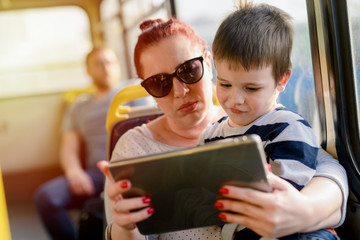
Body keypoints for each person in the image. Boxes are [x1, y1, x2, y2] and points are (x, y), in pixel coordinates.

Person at [97, 16, 348, 240]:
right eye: (159, 83)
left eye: (188, 70)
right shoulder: (134, 148)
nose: (180, 91)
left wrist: (304, 212)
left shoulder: (259, 121)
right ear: (148, 90)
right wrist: (127, 228)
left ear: (208, 63)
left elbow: (328, 171)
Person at [196, 2, 341, 239]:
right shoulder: (210, 135)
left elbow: (286, 205)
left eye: (251, 88)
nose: (235, 99)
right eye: (224, 84)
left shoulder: (288, 128)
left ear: (282, 80)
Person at [33, 45, 150, 240]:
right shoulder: (78, 105)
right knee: (45, 198)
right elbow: (68, 147)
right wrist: (74, 173)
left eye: (110, 62)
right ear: (88, 70)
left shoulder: (133, 93)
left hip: (130, 168)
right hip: (96, 174)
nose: (106, 68)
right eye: (99, 64)